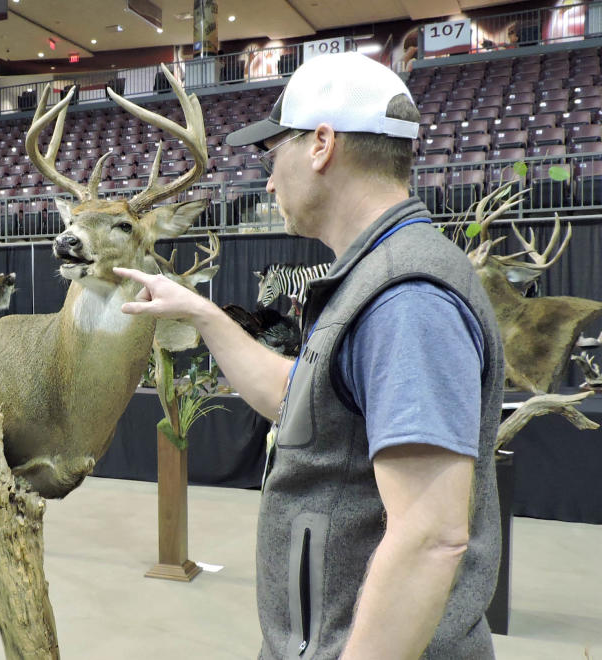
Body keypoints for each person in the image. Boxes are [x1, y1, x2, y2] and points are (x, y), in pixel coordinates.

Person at [115, 52, 503, 659]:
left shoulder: (406, 297)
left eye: (274, 153)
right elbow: (303, 400)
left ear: (322, 144)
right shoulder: (373, 276)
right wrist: (203, 314)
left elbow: (431, 536)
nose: (268, 180)